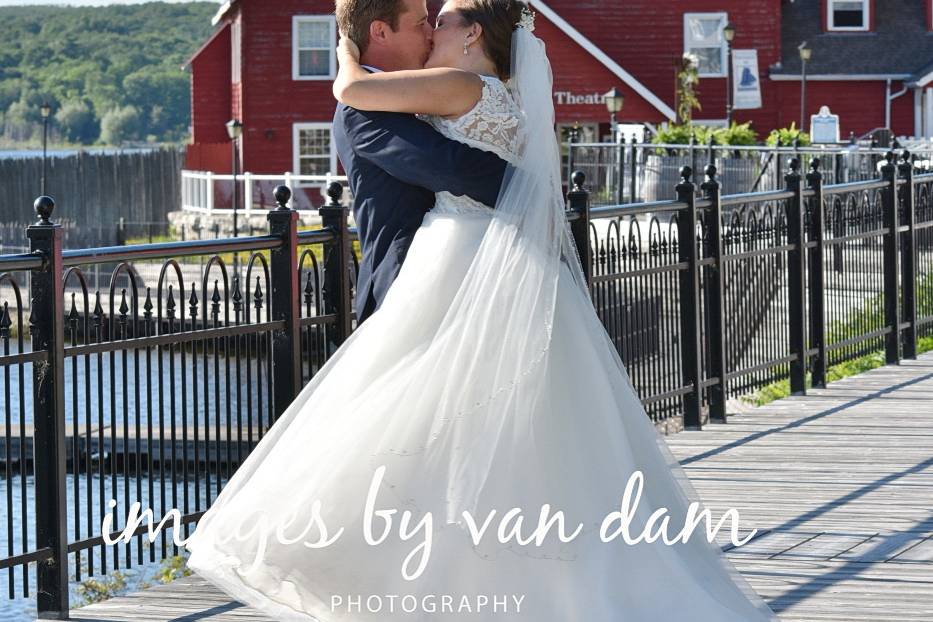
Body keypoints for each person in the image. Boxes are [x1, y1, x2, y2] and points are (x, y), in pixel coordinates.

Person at [184, 1, 780, 620]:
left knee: (440, 427)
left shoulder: (449, 88)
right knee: (510, 437)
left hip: (467, 262)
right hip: (483, 262)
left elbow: (370, 98)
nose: (431, 27)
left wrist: (344, 48)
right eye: (423, 19)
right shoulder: (482, 96)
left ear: (472, 34)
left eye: (439, 20)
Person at [331, 0, 508, 325]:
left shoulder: (418, 93)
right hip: (407, 290)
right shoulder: (362, 112)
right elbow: (448, 166)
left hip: (468, 277)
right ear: (381, 32)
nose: (430, 34)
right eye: (421, 23)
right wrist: (527, 187)